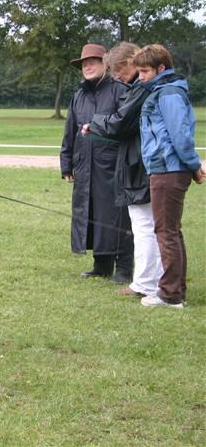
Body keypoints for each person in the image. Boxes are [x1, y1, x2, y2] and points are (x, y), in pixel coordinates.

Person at [82, 42, 162, 298]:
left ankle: (147, 282)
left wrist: (95, 123)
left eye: (119, 69)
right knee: (147, 225)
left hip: (140, 163)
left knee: (144, 226)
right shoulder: (141, 87)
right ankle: (150, 281)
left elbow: (120, 123)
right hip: (140, 161)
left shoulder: (141, 89)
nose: (117, 76)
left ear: (132, 61)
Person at [131, 44, 204, 308]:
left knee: (165, 232)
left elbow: (180, 136)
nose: (140, 77)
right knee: (171, 231)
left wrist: (193, 165)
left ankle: (171, 295)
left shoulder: (168, 93)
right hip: (165, 169)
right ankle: (174, 289)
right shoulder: (163, 91)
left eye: (145, 71)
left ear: (161, 68)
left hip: (168, 170)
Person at [60, 44, 134, 284]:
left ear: (106, 64)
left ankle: (123, 268)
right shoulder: (78, 96)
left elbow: (124, 124)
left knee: (117, 215)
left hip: (112, 166)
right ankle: (101, 265)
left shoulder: (119, 90)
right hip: (84, 165)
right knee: (90, 213)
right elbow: (70, 131)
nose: (88, 66)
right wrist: (66, 163)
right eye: (84, 63)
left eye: (93, 61)